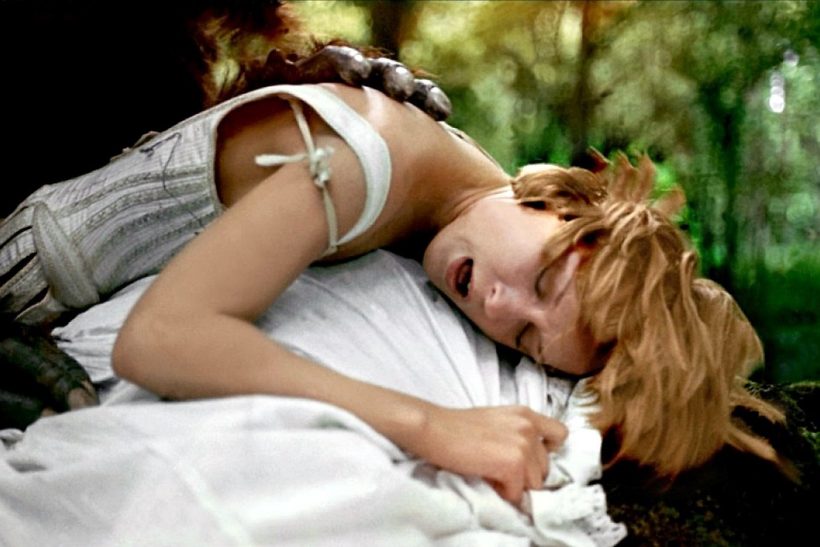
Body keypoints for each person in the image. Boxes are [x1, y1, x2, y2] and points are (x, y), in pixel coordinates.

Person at [0, 38, 787, 508]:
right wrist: (430, 425)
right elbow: (161, 340)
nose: (497, 302)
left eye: (523, 337)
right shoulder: (365, 159)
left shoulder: (459, 198)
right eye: (543, 279)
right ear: (558, 197)